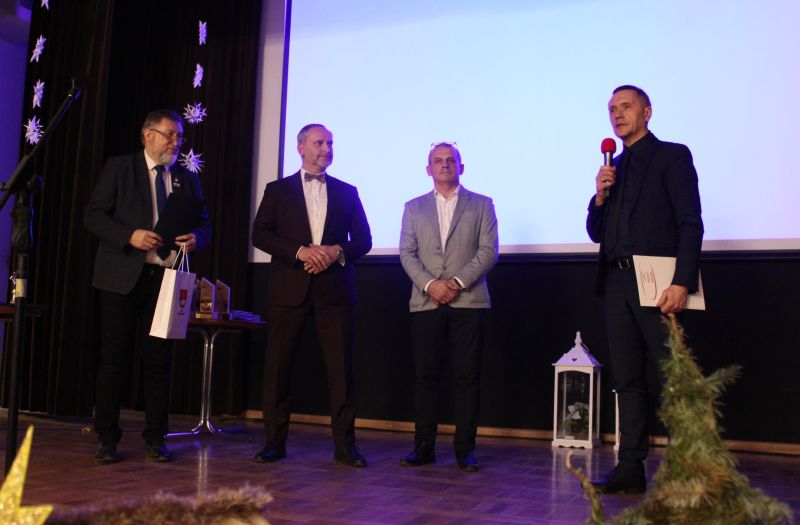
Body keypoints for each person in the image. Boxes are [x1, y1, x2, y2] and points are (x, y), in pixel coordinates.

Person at [587, 85, 704, 493]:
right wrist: (599, 196)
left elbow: (690, 222)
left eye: (626, 106)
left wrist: (682, 281)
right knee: (627, 379)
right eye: (612, 109)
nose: (617, 114)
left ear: (647, 112)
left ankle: (685, 471)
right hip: (617, 282)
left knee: (673, 377)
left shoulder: (673, 156)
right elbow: (595, 232)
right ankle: (630, 468)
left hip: (658, 281)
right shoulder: (612, 168)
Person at [85, 109, 211, 464]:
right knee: (115, 358)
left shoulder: (187, 178)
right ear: (148, 135)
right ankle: (106, 437)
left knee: (159, 361)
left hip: (165, 279)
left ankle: (156, 437)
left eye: (179, 136)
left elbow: (204, 224)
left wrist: (196, 238)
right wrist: (130, 235)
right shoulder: (120, 168)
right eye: (170, 134)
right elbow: (93, 216)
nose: (176, 142)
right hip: (121, 277)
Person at [251, 123, 372, 467]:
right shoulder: (277, 190)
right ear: (301, 147)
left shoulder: (347, 192)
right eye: (319, 143)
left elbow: (364, 240)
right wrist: (300, 251)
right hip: (288, 289)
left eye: (330, 143)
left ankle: (345, 447)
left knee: (341, 371)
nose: (326, 149)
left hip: (335, 292)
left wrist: (336, 251)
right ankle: (274, 443)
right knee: (277, 369)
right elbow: (260, 234)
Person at [398, 142, 498, 472]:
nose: (444, 165)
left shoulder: (482, 204)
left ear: (461, 167)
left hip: (469, 301)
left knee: (467, 378)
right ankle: (423, 448)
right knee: (425, 377)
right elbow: (407, 253)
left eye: (450, 160)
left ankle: (464, 451)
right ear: (428, 169)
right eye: (438, 161)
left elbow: (488, 250)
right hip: (425, 301)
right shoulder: (413, 207)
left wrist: (455, 282)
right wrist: (431, 285)